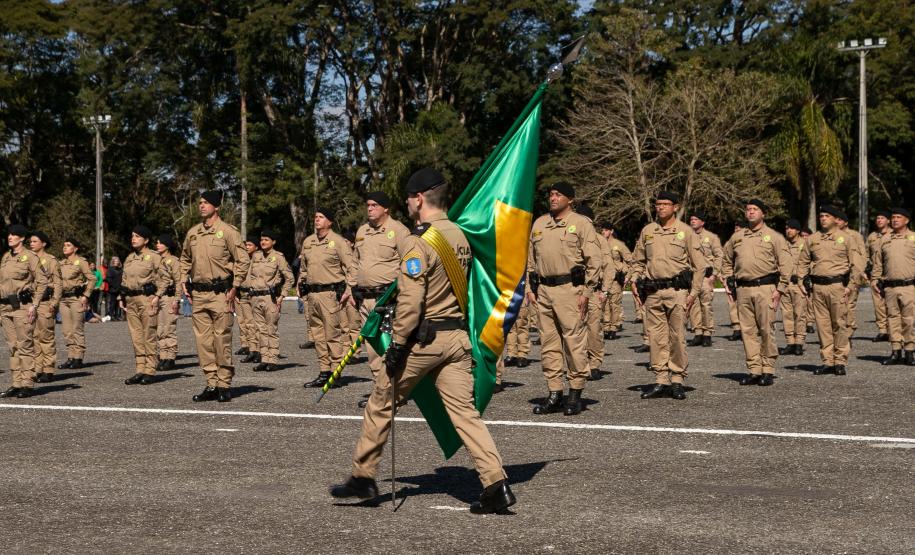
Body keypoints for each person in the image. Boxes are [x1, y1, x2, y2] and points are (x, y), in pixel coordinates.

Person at [330, 167, 516, 515]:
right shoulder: (459, 235)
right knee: (466, 415)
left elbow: (412, 300)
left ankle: (363, 477)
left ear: (419, 199)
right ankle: (495, 484)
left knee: (381, 402)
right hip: (456, 339)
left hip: (424, 341)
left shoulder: (420, 241)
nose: (408, 205)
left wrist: (398, 344)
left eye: (408, 199)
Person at [527, 183, 601, 415]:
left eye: (558, 194)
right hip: (544, 291)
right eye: (551, 194)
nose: (553, 198)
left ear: (570, 199)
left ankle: (575, 394)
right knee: (548, 343)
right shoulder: (539, 223)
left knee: (573, 342)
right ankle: (554, 392)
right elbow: (531, 260)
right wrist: (530, 288)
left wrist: (586, 292)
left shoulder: (581, 223)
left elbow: (594, 261)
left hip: (571, 290)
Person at [630, 191, 705, 400]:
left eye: (665, 204)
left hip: (677, 292)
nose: (660, 207)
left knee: (677, 337)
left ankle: (677, 379)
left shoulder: (685, 232)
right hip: (653, 293)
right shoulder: (648, 231)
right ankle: (660, 379)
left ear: (675, 207)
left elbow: (700, 266)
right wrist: (635, 279)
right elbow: (638, 260)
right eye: (658, 204)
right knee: (656, 337)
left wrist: (693, 293)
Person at [179, 190, 251, 402]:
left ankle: (224, 384)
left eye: (206, 203)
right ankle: (211, 383)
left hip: (221, 294)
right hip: (199, 294)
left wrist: (235, 286)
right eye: (200, 202)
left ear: (216, 207)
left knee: (222, 340)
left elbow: (243, 260)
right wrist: (183, 280)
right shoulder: (193, 233)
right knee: (204, 342)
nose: (201, 206)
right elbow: (184, 258)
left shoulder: (228, 232)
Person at [342, 191, 410, 407]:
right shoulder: (362, 231)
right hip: (366, 299)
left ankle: (390, 392)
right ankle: (380, 390)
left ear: (385, 208)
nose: (369, 208)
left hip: (388, 300)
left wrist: (400, 292)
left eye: (374, 205)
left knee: (388, 347)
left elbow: (409, 264)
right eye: (368, 205)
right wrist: (350, 287)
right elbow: (355, 263)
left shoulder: (398, 231)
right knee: (372, 348)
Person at [721, 200, 793, 386]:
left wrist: (780, 289)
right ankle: (754, 369)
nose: (751, 212)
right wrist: (729, 279)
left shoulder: (774, 237)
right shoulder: (737, 237)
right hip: (743, 289)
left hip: (765, 288)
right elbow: (726, 259)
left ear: (763, 214)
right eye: (748, 209)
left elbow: (786, 264)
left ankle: (767, 369)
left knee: (766, 329)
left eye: (755, 209)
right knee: (747, 331)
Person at [797, 205, 865, 376]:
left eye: (827, 216)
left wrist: (851, 286)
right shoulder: (813, 239)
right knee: (823, 326)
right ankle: (827, 361)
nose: (823, 218)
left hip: (838, 287)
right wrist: (801, 280)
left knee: (840, 324)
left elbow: (856, 265)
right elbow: (803, 261)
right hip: (818, 288)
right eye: (821, 216)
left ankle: (840, 361)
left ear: (835, 219)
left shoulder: (847, 239)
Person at [299, 207, 353, 388]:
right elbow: (304, 268)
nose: (317, 220)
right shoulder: (308, 242)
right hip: (312, 295)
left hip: (330, 294)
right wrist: (301, 283)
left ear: (329, 222)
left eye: (321, 217)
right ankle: (324, 371)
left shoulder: (337, 242)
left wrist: (349, 289)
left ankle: (336, 372)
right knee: (318, 336)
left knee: (332, 334)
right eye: (315, 217)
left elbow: (351, 267)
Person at [0, 224, 49, 398]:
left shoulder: (30, 256)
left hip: (22, 307)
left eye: (14, 235)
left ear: (22, 238)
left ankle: (27, 384)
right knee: (13, 347)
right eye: (9, 234)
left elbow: (43, 281)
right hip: (5, 307)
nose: (10, 237)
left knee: (25, 345)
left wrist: (34, 304)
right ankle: (16, 382)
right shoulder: (6, 257)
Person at [121, 226, 166, 385]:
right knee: (136, 337)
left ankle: (150, 370)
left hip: (147, 299)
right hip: (131, 300)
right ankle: (140, 370)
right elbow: (124, 279)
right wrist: (122, 297)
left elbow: (164, 278)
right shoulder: (129, 258)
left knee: (149, 335)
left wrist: (158, 296)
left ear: (146, 240)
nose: (133, 239)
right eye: (132, 236)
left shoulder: (154, 257)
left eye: (138, 236)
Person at [871, 207, 915, 365]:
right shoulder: (885, 239)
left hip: (909, 286)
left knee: (909, 320)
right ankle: (895, 351)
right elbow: (878, 263)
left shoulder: (913, 238)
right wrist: (875, 280)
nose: (895, 220)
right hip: (889, 287)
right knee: (892, 320)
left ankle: (909, 351)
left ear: (907, 220)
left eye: (899, 217)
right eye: (893, 217)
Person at [248, 229, 294, 372]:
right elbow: (249, 275)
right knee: (260, 330)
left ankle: (272, 360)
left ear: (273, 242)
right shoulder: (256, 256)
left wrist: (282, 296)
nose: (263, 242)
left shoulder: (278, 257)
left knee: (271, 329)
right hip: (255, 297)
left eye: (267, 239)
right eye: (262, 240)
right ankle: (264, 359)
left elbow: (290, 278)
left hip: (270, 298)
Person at [576, 203, 606, 381]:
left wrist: (606, 290)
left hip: (593, 290)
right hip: (574, 289)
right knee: (577, 330)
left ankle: (594, 363)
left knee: (594, 329)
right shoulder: (570, 236)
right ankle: (580, 364)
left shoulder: (599, 240)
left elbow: (608, 266)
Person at [28, 232, 62, 383]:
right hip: (31, 303)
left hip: (45, 303)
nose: (31, 243)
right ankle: (38, 369)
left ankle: (48, 370)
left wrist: (54, 302)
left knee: (46, 337)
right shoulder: (27, 259)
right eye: (30, 241)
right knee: (33, 337)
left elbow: (58, 283)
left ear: (44, 243)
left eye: (35, 241)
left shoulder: (50, 260)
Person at [686, 210, 723, 347]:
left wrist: (715, 274)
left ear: (702, 222)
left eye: (696, 219)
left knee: (706, 305)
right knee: (693, 306)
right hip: (692, 277)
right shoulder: (686, 237)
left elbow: (719, 255)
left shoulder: (711, 237)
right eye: (691, 219)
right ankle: (698, 333)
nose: (693, 221)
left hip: (706, 277)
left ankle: (707, 333)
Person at [57, 238, 94, 370]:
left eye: (68, 245)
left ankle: (78, 357)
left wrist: (86, 295)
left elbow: (92, 278)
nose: (65, 247)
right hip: (63, 299)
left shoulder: (81, 262)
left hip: (76, 298)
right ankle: (71, 357)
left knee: (77, 328)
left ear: (75, 248)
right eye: (64, 245)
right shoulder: (60, 263)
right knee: (67, 330)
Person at [835, 211, 867, 338]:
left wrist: (859, 272)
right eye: (835, 219)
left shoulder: (855, 235)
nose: (836, 222)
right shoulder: (833, 235)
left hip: (853, 274)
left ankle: (849, 328)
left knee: (850, 304)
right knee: (839, 304)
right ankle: (840, 330)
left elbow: (862, 255)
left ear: (846, 222)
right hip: (838, 275)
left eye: (839, 220)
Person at [779, 219, 808, 355]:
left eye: (791, 228)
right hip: (785, 284)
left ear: (797, 231)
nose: (788, 230)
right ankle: (790, 342)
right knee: (787, 315)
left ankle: (799, 343)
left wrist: (803, 277)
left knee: (800, 314)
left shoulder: (805, 244)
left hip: (799, 285)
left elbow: (812, 263)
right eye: (786, 228)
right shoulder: (782, 245)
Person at [599, 222, 631, 340]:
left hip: (615, 279)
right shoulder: (599, 244)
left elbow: (629, 260)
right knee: (604, 304)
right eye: (602, 230)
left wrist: (626, 273)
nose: (603, 232)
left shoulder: (618, 245)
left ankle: (613, 328)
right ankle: (606, 327)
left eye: (606, 230)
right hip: (603, 278)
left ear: (611, 231)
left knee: (614, 304)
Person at [155, 235, 181, 370]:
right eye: (157, 243)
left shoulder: (173, 261)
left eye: (160, 243)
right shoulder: (158, 260)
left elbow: (178, 281)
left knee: (169, 328)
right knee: (160, 328)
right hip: (160, 298)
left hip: (170, 297)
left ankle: (170, 358)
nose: (157, 245)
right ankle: (163, 356)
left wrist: (177, 300)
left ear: (167, 245)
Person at [867, 211, 892, 342]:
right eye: (877, 218)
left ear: (888, 221)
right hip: (876, 275)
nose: (879, 220)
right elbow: (866, 254)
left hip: (890, 275)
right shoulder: (872, 237)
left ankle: (893, 330)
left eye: (882, 218)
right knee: (878, 305)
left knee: (891, 304)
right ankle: (882, 331)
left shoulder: (894, 235)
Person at [237, 235, 260, 362]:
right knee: (244, 322)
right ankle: (248, 347)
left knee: (254, 324)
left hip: (254, 294)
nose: (247, 247)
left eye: (250, 245)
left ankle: (256, 349)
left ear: (256, 247)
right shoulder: (242, 260)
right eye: (246, 245)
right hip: (242, 294)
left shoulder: (259, 260)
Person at [723, 221, 745, 341]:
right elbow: (725, 259)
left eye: (739, 228)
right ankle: (736, 328)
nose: (737, 230)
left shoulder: (749, 241)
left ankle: (748, 329)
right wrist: (726, 276)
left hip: (745, 277)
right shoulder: (730, 243)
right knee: (732, 303)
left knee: (746, 305)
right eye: (735, 228)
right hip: (733, 276)